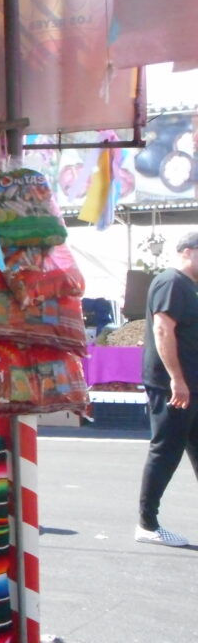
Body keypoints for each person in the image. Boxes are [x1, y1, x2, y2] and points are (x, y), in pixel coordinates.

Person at [135, 233, 198, 547]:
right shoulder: (171, 282)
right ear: (188, 252)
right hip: (174, 386)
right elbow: (163, 329)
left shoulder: (190, 287)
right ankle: (147, 524)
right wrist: (177, 378)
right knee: (166, 451)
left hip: (192, 385)